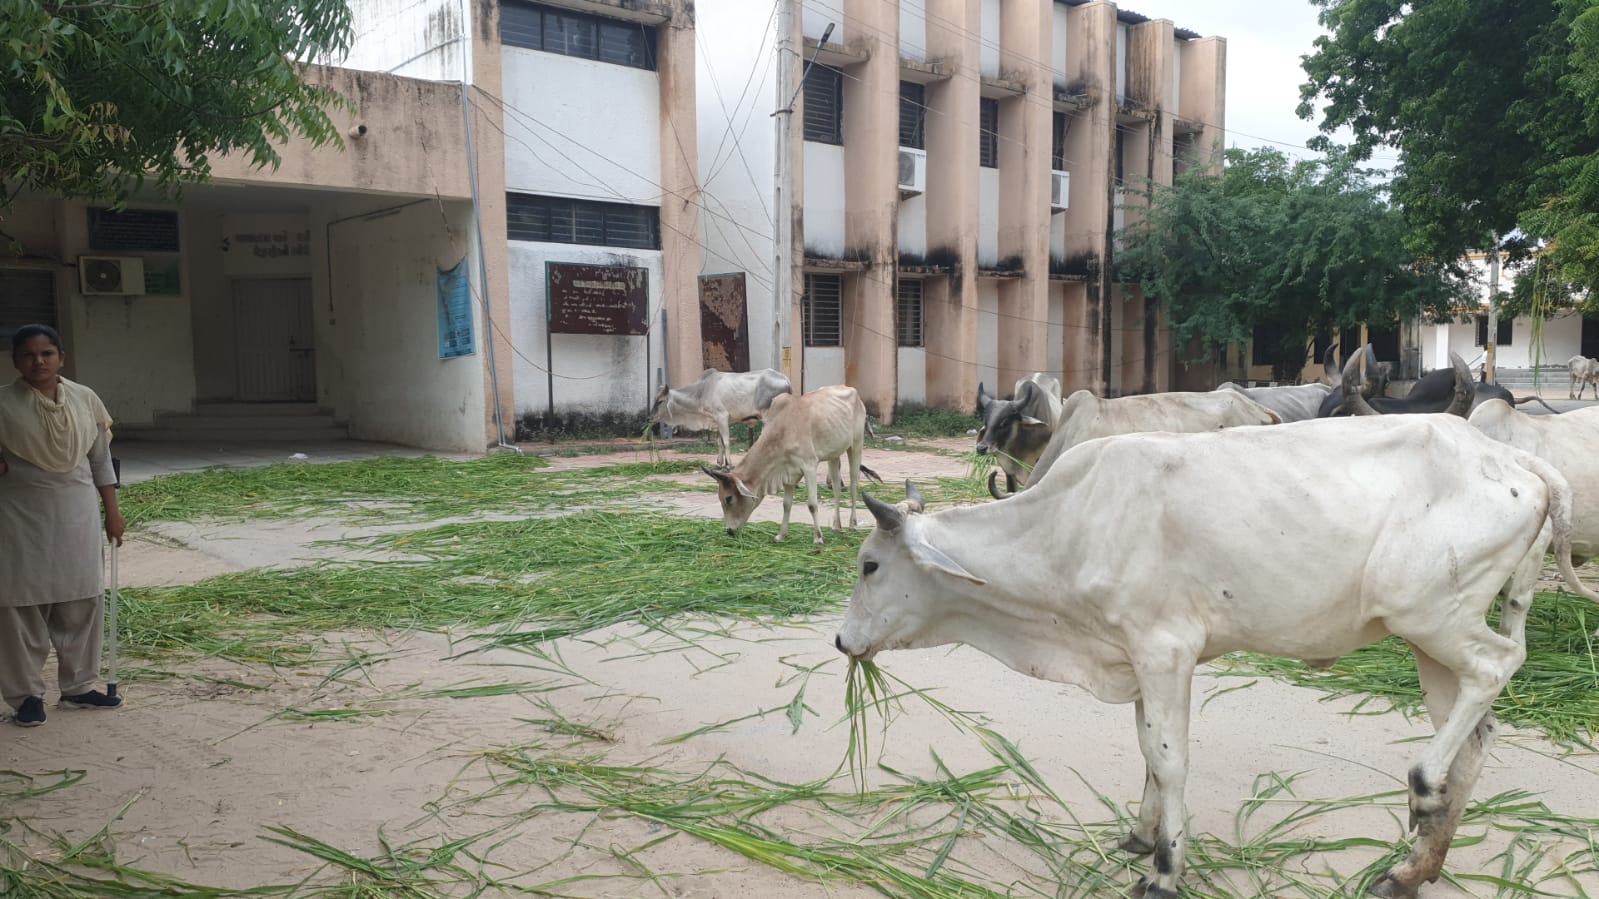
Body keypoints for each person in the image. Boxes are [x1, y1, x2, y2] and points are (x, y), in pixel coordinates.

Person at [0, 324, 125, 727]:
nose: (38, 361)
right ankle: (25, 697)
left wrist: (113, 511)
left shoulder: (85, 399)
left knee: (81, 600)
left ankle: (79, 687)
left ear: (61, 358)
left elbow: (100, 461)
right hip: (19, 516)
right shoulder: (3, 404)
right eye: (28, 355)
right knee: (20, 606)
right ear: (15, 361)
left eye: (47, 353)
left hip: (77, 512)